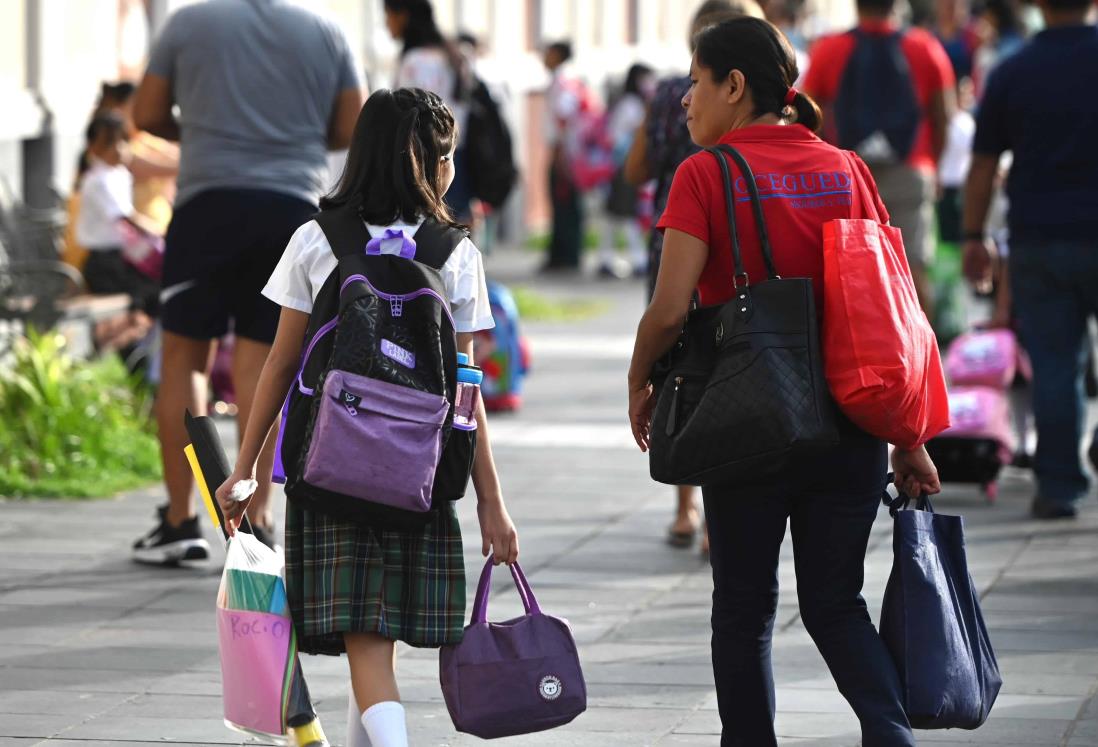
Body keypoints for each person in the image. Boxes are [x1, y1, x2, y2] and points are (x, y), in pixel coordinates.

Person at [627, 17, 941, 746]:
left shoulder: (706, 173)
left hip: (750, 421)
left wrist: (640, 378)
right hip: (852, 424)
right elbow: (893, 313)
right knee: (836, 603)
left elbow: (670, 310)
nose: (685, 102)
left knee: (742, 608)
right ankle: (891, 735)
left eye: (697, 83)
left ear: (734, 86)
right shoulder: (848, 168)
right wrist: (909, 434)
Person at [214, 87, 519, 747]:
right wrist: (492, 501)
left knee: (368, 641)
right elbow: (465, 392)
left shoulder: (316, 240)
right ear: (434, 163)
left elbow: (278, 366)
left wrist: (247, 468)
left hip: (331, 468)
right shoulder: (455, 252)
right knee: (373, 643)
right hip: (422, 473)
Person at [130, 0, 365, 565]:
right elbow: (352, 124)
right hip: (292, 211)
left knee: (185, 360)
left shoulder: (187, 23)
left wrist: (207, 122)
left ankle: (184, 520)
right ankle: (254, 521)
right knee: (267, 364)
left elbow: (147, 112)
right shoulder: (326, 31)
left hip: (206, 206)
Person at [624, 0, 762, 556]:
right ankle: (717, 516)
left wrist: (636, 377)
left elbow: (634, 169)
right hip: (741, 259)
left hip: (675, 246)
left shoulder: (662, 96)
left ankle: (687, 508)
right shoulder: (767, 104)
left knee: (680, 372)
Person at [962, 0, 1098, 520]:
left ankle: (1059, 485)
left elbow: (983, 163)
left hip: (1040, 238)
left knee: (1055, 363)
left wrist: (975, 234)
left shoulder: (1013, 71)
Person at [802, 0, 955, 319]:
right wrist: (933, 165)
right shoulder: (924, 47)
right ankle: (920, 356)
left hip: (846, 176)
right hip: (910, 169)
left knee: (848, 271)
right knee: (912, 270)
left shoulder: (830, 48)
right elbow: (943, 115)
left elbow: (807, 116)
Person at [383, 0, 475, 224]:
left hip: (422, 163)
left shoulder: (415, 62)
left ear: (402, 16)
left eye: (388, 16)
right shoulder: (451, 56)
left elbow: (403, 118)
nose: (386, 24)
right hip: (456, 157)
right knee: (455, 236)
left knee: (429, 239)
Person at [75, 113, 161, 319]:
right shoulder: (98, 180)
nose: (120, 148)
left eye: (124, 140)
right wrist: (159, 231)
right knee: (146, 298)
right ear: (92, 146)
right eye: (111, 142)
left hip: (123, 256)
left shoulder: (119, 174)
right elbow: (125, 216)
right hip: (105, 261)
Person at [599, 62, 655, 278]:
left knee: (615, 214)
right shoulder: (631, 105)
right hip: (625, 165)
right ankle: (638, 258)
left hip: (623, 164)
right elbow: (619, 134)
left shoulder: (631, 103)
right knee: (628, 213)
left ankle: (607, 257)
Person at [542, 40, 586, 272]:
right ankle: (563, 254)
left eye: (547, 52)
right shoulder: (568, 78)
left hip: (566, 153)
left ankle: (565, 256)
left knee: (564, 202)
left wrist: (559, 153)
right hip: (570, 152)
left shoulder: (563, 80)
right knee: (564, 202)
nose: (544, 57)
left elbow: (563, 115)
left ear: (558, 54)